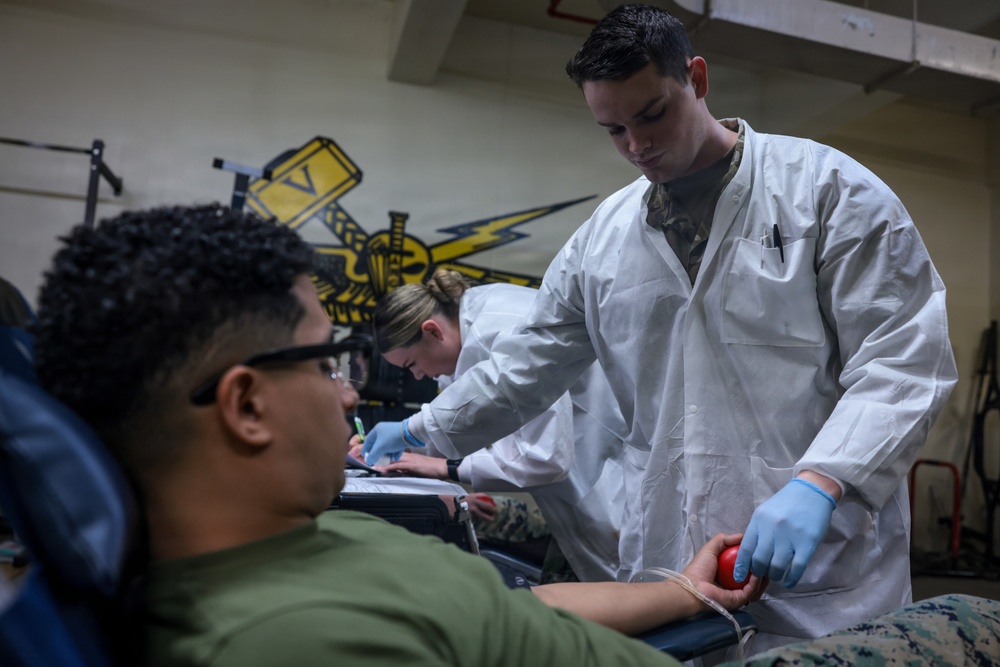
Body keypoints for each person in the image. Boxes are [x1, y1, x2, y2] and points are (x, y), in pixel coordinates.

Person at [361, 2, 959, 654]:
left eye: (652, 114)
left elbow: (904, 358)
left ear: (696, 78)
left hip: (823, 566)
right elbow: (526, 364)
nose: (638, 145)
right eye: (613, 130)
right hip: (669, 561)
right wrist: (421, 428)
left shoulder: (828, 192)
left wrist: (822, 481)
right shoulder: (604, 241)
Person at [30, 204, 764, 667]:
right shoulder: (297, 639)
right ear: (247, 407)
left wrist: (681, 592)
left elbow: (516, 611)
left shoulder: (303, 544)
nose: (350, 393)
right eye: (325, 364)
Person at [353, 269, 626, 582]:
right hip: (586, 496)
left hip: (609, 494)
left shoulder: (495, 331)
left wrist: (442, 467)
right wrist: (404, 447)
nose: (416, 376)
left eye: (411, 365)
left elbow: (543, 457)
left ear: (432, 331)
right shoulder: (475, 325)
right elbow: (475, 417)